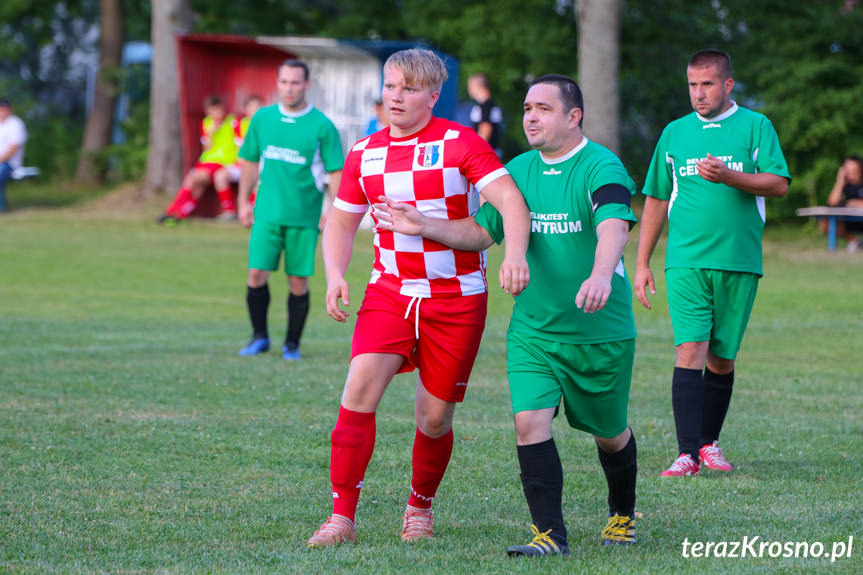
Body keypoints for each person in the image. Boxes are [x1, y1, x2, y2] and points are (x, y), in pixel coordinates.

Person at [376, 74, 641, 554]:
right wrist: (424, 225)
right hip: (534, 332)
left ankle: (622, 515)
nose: (531, 117)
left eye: (542, 108)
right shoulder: (517, 170)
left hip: (599, 331)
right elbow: (481, 233)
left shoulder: (602, 166)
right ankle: (549, 536)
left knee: (609, 433)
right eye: (526, 109)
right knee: (528, 424)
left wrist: (602, 275)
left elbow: (613, 224)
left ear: (573, 116)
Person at [306, 48, 530, 548]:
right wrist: (335, 274)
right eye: (390, 87)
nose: (396, 97)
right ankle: (341, 516)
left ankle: (419, 508)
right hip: (390, 292)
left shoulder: (460, 143)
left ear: (433, 95)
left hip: (456, 300)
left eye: (408, 88)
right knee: (359, 390)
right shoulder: (364, 152)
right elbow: (342, 219)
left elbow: (511, 201)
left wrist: (515, 254)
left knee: (434, 418)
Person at [635, 49, 790, 477]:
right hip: (685, 260)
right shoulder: (675, 133)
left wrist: (730, 177)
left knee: (721, 358)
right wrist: (642, 261)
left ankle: (709, 444)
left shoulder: (756, 127)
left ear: (727, 85)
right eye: (692, 85)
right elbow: (656, 198)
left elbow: (778, 184)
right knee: (689, 349)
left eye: (706, 85)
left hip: (740, 260)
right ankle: (686, 453)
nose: (698, 94)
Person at [236, 60, 343, 361]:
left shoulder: (322, 126)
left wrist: (333, 211)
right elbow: (249, 161)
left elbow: (336, 172)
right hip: (266, 213)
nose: (288, 88)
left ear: (306, 84)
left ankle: (292, 345)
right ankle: (259, 338)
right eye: (283, 82)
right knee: (256, 274)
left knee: (298, 280)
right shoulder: (262, 119)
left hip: (303, 217)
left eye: (295, 82)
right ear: (277, 83)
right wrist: (243, 201)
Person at [158, 96, 240, 224]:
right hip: (208, 162)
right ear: (208, 111)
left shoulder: (232, 122)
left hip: (225, 162)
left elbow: (240, 143)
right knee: (194, 183)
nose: (216, 114)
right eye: (212, 111)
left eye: (218, 110)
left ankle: (172, 211)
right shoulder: (207, 123)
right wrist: (211, 133)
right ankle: (178, 213)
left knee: (196, 179)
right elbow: (207, 148)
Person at [823, 155, 863, 252]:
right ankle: (856, 242)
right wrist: (840, 182)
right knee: (824, 223)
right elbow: (832, 203)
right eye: (848, 171)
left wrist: (857, 203)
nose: (851, 175)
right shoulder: (844, 185)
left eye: (854, 171)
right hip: (849, 221)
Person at [0, 97, 28, 213]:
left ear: (10, 110)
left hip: (10, 163)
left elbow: (13, 148)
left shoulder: (16, 124)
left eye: (4, 109)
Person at [467, 73, 504, 158]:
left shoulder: (486, 106)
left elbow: (486, 127)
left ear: (477, 86)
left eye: (470, 86)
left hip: (486, 154)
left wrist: (477, 151)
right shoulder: (487, 105)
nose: (469, 90)